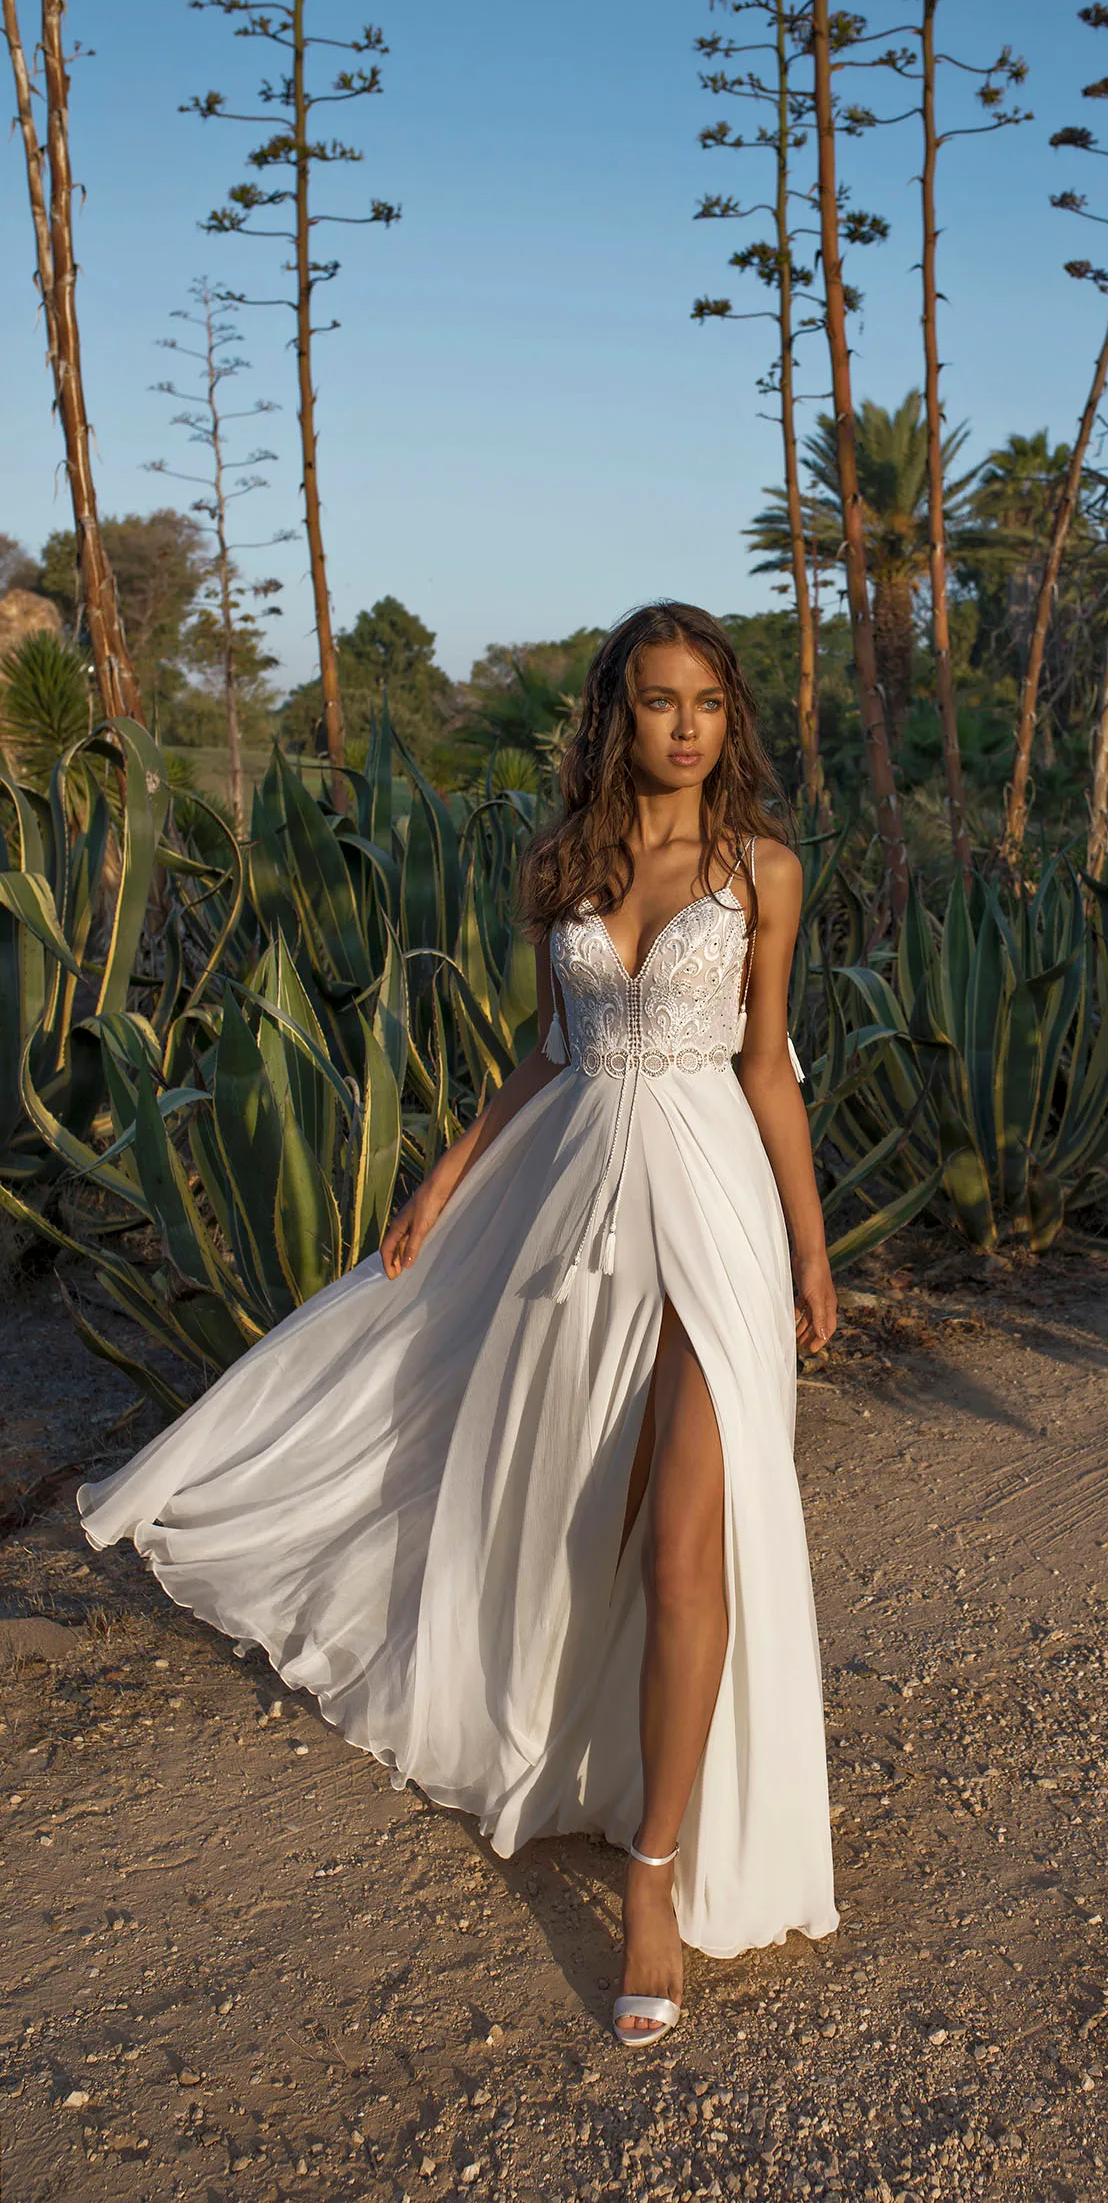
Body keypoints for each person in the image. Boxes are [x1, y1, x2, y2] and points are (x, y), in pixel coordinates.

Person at [77, 600, 841, 2050]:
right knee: (561, 1505)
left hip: (721, 1217)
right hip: (579, 1205)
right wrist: (443, 1175)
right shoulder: (559, 866)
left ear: (730, 719)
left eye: (709, 704)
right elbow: (548, 1049)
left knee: (692, 1536)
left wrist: (810, 1250)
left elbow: (769, 1067)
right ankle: (579, 1749)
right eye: (660, 701)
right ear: (618, 715)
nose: (685, 726)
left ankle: (655, 1877)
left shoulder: (766, 873)